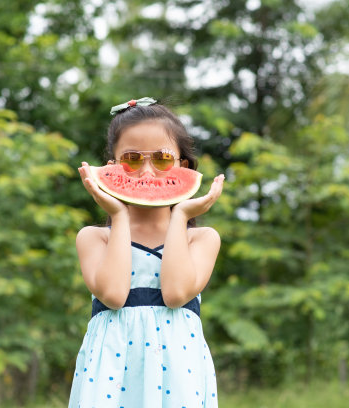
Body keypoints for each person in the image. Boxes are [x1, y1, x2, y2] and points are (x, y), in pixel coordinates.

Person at [68, 97, 225, 408]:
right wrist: (119, 215)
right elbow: (113, 295)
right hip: (109, 377)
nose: (147, 173)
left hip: (179, 377)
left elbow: (176, 294)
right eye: (132, 159)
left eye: (163, 159)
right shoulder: (93, 238)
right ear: (110, 167)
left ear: (183, 166)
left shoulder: (202, 239)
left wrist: (179, 216)